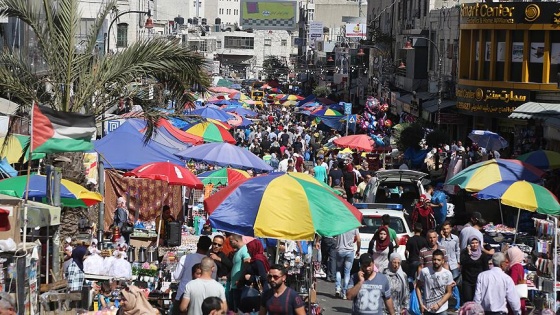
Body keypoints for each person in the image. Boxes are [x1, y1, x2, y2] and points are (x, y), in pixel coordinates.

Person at [173, 236, 215, 314]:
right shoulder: (212, 263)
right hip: (203, 298)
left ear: (197, 245)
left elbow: (176, 276)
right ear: (209, 247)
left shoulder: (185, 258)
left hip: (183, 295)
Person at [416, 249, 453, 315]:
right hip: (427, 308)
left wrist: (439, 304)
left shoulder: (448, 274)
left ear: (442, 261)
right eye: (434, 259)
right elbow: (418, 287)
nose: (436, 262)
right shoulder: (425, 271)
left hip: (442, 309)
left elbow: (449, 292)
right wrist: (420, 304)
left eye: (439, 260)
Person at [240, 239, 271, 313]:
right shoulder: (260, 258)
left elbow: (263, 277)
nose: (248, 251)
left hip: (258, 290)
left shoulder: (258, 260)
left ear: (253, 248)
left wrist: (250, 278)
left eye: (249, 249)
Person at [438, 221, 461, 310]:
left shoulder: (455, 238)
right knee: (444, 285)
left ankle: (456, 304)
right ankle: (445, 303)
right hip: (444, 265)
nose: (446, 231)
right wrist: (442, 238)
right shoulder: (439, 239)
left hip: (453, 264)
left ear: (450, 229)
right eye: (444, 229)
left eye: (447, 229)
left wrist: (458, 261)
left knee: (453, 284)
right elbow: (440, 249)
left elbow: (457, 250)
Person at [460, 235, 489, 303]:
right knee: (468, 299)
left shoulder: (483, 254)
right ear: (469, 244)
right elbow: (463, 262)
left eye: (476, 242)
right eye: (472, 243)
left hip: (478, 280)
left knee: (477, 300)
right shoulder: (465, 253)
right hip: (467, 280)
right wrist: (469, 253)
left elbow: (486, 268)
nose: (475, 245)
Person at [335, 228, 361, 299]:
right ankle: (344, 292)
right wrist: (358, 249)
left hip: (340, 250)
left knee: (338, 270)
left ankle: (338, 288)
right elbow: (358, 240)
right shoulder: (354, 227)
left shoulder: (340, 225)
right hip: (350, 251)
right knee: (347, 272)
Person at [229, 233, 251, 312]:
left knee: (238, 310)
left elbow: (247, 263)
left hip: (239, 285)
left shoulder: (244, 250)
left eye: (231, 241)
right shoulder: (238, 251)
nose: (230, 243)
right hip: (235, 285)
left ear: (236, 241)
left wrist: (241, 279)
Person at [506, 246, 526, 315]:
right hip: (519, 296)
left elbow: (512, 282)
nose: (507, 257)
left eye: (508, 255)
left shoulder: (515, 267)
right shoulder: (519, 265)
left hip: (515, 296)